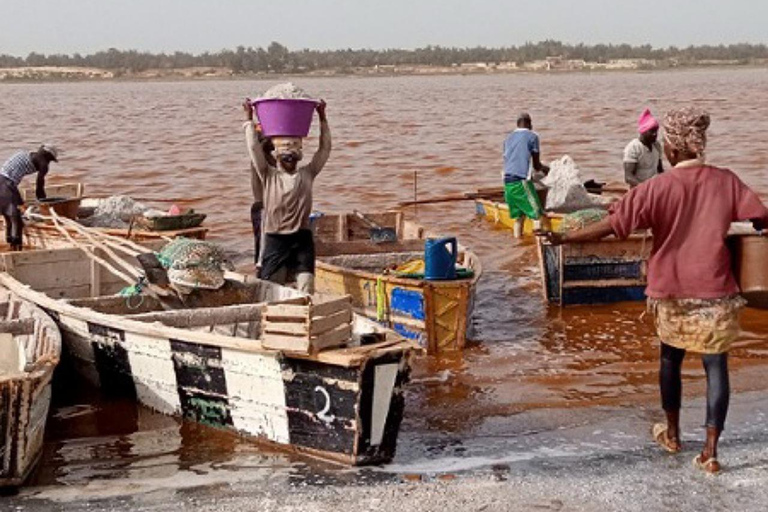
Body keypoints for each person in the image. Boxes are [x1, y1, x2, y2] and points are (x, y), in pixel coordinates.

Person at [542, 107, 768, 474]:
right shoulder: (726, 181)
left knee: (670, 360)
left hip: (672, 290)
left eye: (666, 143)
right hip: (716, 289)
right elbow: (761, 217)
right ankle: (710, 452)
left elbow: (613, 225)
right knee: (716, 366)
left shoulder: (656, 188)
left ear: (673, 151)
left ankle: (674, 434)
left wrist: (562, 237)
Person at [249, 100, 331, 293]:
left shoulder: (307, 174)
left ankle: (305, 313)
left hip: (301, 237)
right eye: (285, 155)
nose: (289, 158)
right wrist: (248, 120)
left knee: (306, 286)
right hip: (276, 238)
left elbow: (325, 149)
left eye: (293, 154)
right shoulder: (269, 176)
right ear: (277, 156)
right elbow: (253, 149)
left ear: (299, 156)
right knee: (270, 288)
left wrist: (322, 117)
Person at [0, 145, 58, 251]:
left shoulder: (27, 154)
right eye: (51, 160)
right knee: (17, 219)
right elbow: (39, 187)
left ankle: (9, 246)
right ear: (47, 156)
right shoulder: (43, 164)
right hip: (7, 184)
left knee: (8, 218)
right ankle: (17, 250)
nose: (49, 163)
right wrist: (43, 204)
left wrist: (21, 201)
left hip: (3, 181)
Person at [502, 113, 550, 238]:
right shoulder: (532, 136)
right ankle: (538, 246)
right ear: (529, 124)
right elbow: (536, 165)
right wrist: (546, 169)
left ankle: (519, 244)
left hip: (507, 183)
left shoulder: (508, 138)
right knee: (537, 214)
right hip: (521, 182)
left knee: (519, 218)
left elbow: (511, 160)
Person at [243, 100, 276, 271]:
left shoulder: (270, 158)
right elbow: (253, 145)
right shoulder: (261, 160)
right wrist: (248, 117)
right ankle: (262, 271)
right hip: (264, 207)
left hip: (272, 207)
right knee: (263, 250)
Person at [623, 108, 664, 187]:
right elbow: (628, 177)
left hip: (654, 187)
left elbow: (660, 170)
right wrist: (644, 188)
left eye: (656, 131)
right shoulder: (633, 147)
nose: (655, 134)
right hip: (638, 189)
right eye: (652, 131)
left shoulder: (657, 146)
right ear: (643, 131)